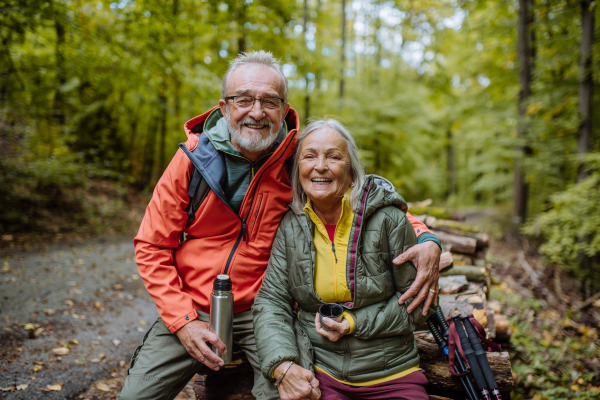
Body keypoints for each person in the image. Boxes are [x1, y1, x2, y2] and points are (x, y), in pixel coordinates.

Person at [119, 51, 441, 400]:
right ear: (225, 108)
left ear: (283, 110)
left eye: (269, 101)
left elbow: (362, 201)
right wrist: (183, 322)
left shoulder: (297, 160)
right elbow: (151, 245)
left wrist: (426, 237)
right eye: (243, 100)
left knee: (292, 392)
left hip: (266, 309)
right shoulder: (192, 159)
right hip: (193, 305)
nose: (256, 112)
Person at [253, 119, 434, 400]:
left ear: (351, 170)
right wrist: (283, 365)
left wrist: (354, 322)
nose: (320, 166)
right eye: (309, 156)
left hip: (392, 373)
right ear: (298, 169)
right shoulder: (291, 226)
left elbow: (420, 305)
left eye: (333, 157)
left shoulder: (388, 220)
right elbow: (271, 302)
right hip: (320, 372)